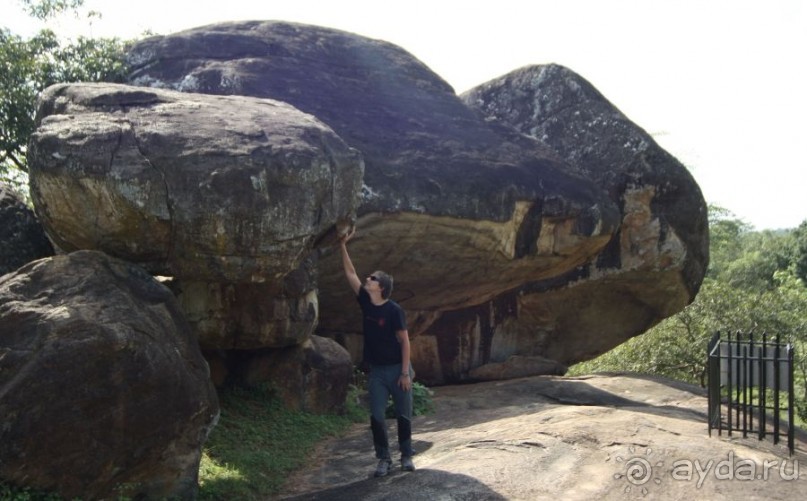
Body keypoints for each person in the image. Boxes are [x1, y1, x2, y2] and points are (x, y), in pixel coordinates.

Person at [339, 227, 415, 477]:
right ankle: (384, 459)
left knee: (403, 415)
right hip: (377, 372)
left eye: (371, 278)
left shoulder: (394, 311)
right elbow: (350, 273)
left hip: (398, 369)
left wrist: (405, 373)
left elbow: (405, 342)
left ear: (380, 287)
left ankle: (406, 456)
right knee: (377, 416)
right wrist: (342, 245)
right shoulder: (365, 301)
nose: (367, 280)